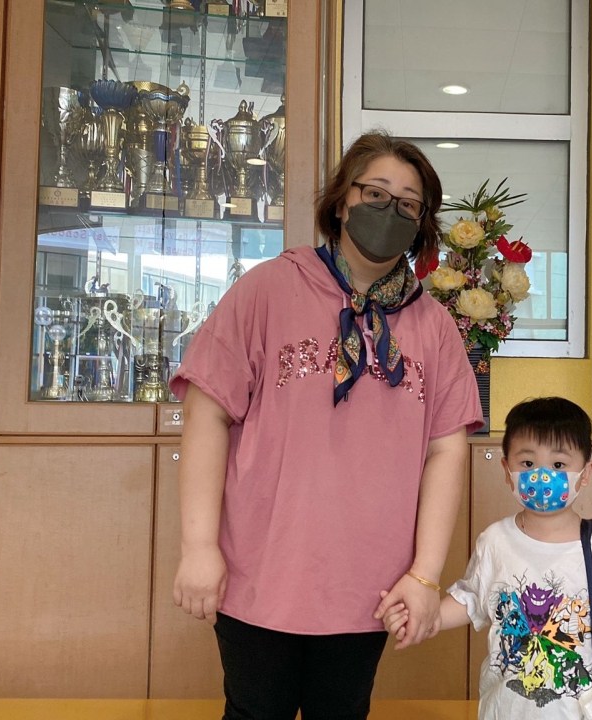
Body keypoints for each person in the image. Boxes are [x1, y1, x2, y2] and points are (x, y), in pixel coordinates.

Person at [169, 131, 483, 720]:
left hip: (369, 588)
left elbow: (446, 451)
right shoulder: (267, 289)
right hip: (260, 571)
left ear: (422, 224)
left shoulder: (435, 326)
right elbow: (207, 411)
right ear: (341, 202)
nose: (389, 211)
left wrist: (424, 576)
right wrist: (199, 547)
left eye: (409, 204)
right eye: (375, 193)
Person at [381, 397, 592, 720]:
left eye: (559, 465)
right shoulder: (495, 541)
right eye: (527, 463)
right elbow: (472, 599)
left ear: (586, 472)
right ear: (507, 470)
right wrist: (423, 617)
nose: (542, 476)